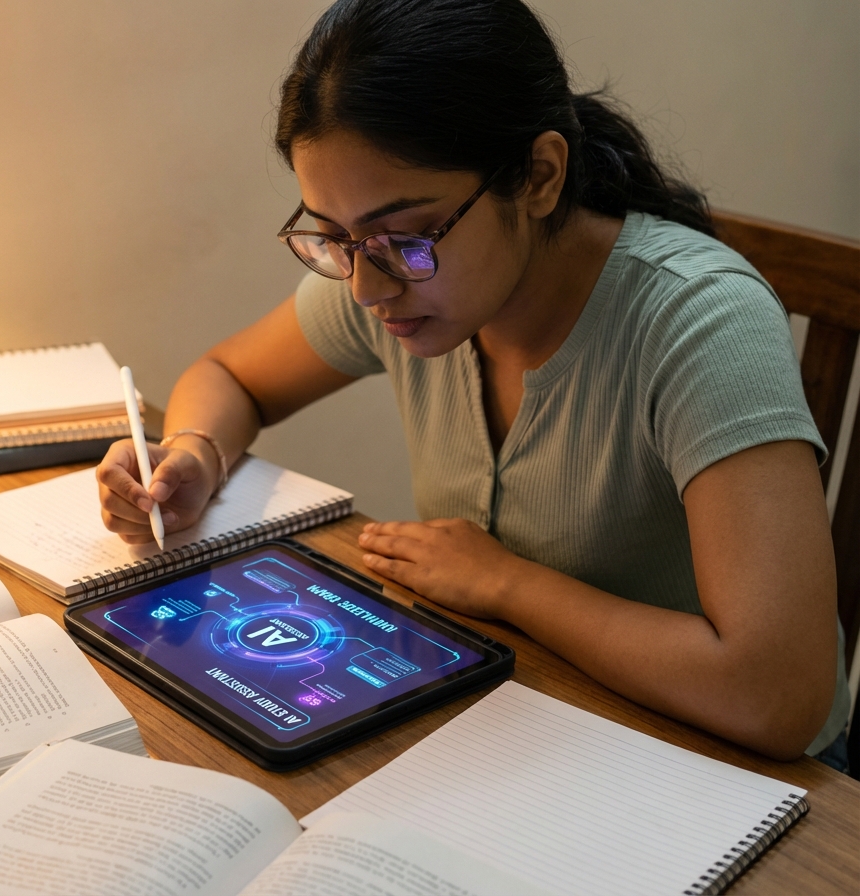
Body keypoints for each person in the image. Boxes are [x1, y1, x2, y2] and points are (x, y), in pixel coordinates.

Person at [96, 0, 851, 766]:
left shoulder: (697, 323)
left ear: (539, 175)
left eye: (405, 236)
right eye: (333, 237)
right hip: (528, 721)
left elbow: (776, 696)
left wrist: (506, 586)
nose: (362, 287)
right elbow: (231, 378)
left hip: (736, 775)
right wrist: (194, 454)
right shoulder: (397, 274)